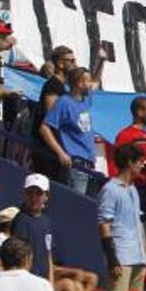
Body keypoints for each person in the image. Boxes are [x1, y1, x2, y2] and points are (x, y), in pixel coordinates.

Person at [11, 172, 98, 291]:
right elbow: (19, 259)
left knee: (76, 286)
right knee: (70, 288)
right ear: (25, 194)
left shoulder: (45, 221)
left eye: (39, 193)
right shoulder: (21, 221)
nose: (34, 197)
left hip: (44, 284)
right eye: (31, 193)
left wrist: (50, 284)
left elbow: (48, 254)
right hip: (31, 287)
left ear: (46, 196)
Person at [97, 142, 146, 291]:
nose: (143, 165)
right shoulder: (110, 190)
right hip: (121, 259)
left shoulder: (133, 189)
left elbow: (138, 224)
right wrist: (112, 259)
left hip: (138, 258)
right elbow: (104, 225)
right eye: (140, 161)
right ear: (129, 162)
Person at [38, 66, 100, 195]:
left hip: (88, 161)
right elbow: (44, 128)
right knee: (76, 200)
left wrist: (101, 61)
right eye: (87, 81)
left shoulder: (85, 100)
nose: (90, 85)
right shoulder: (64, 102)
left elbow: (96, 82)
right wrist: (61, 152)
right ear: (79, 83)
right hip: (76, 161)